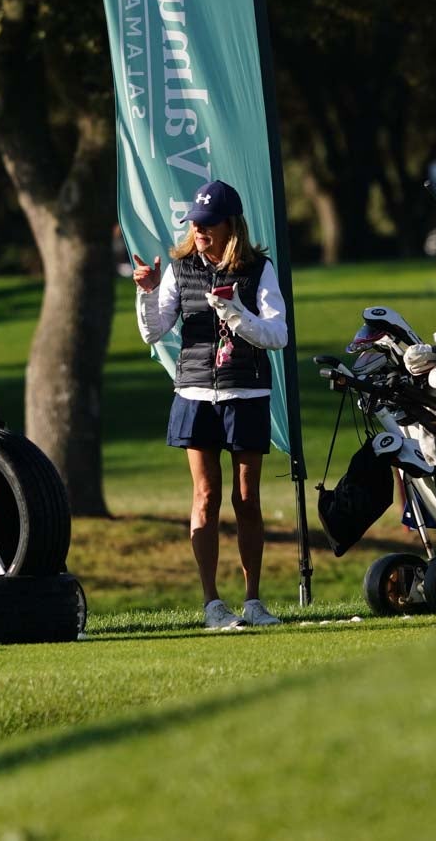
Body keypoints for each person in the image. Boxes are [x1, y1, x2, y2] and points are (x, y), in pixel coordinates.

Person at [132, 180, 288, 630]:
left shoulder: (259, 268)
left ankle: (253, 602)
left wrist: (235, 311)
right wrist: (146, 291)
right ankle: (212, 605)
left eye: (207, 224)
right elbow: (154, 331)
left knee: (246, 498)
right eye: (194, 224)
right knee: (205, 496)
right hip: (196, 393)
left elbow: (278, 335)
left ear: (229, 225)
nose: (198, 230)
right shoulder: (180, 268)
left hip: (246, 391)